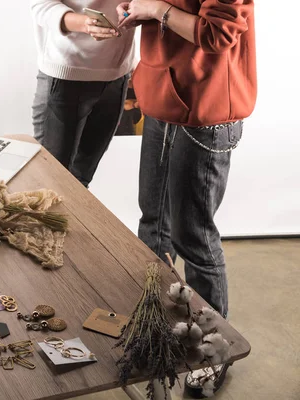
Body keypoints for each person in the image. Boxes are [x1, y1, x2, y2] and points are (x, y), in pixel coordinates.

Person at [116, 0, 256, 396]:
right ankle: (155, 333)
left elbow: (219, 33)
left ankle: (213, 353)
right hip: (165, 104)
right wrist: (141, 10)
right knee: (152, 226)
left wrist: (157, 8)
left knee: (194, 240)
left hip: (205, 114)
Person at [30, 0, 136, 187]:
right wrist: (85, 24)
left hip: (117, 75)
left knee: (80, 183)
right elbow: (42, 5)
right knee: (50, 184)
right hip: (65, 75)